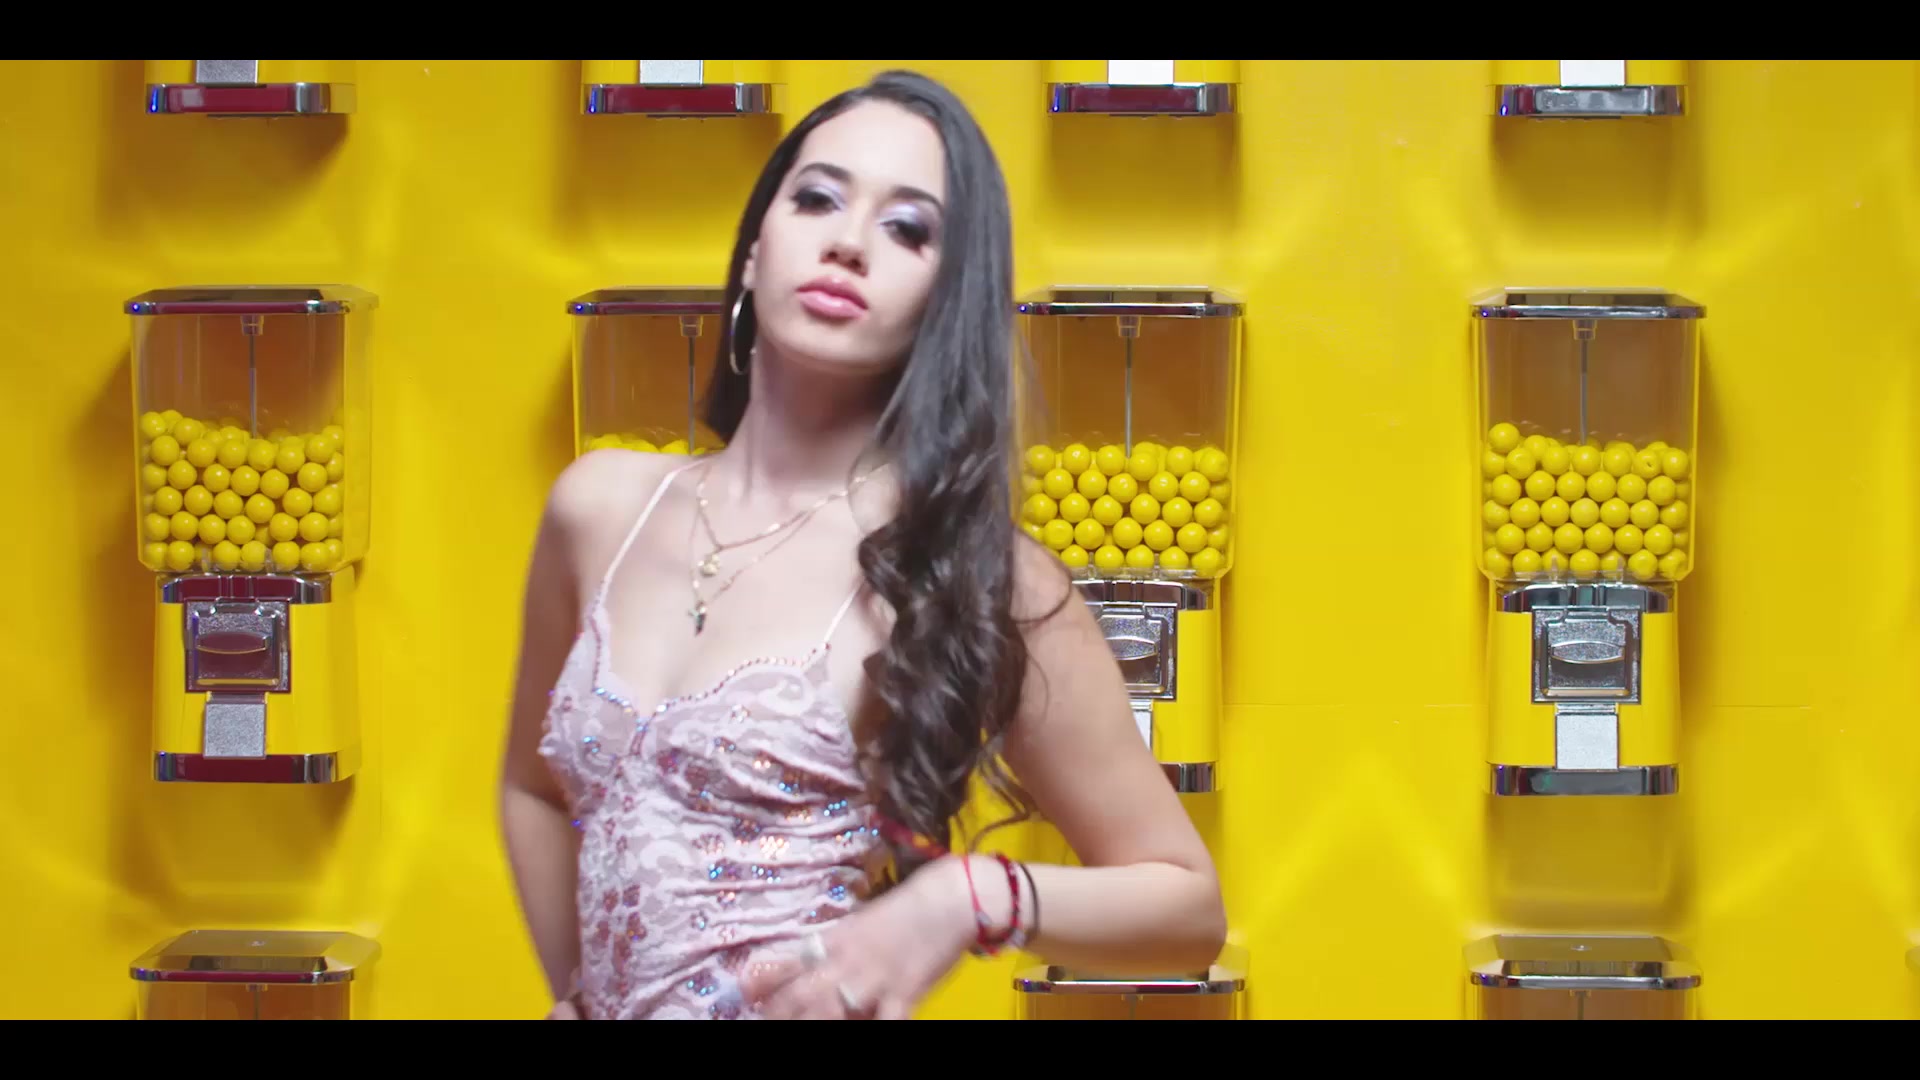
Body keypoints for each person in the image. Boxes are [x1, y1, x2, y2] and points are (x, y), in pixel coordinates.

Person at [498, 69, 1225, 1021]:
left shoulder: (964, 566)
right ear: (753, 251)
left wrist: (968, 897)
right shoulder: (598, 506)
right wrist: (580, 994)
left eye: (908, 229)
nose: (848, 242)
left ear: (941, 303)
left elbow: (1186, 905)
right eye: (817, 199)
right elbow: (531, 788)